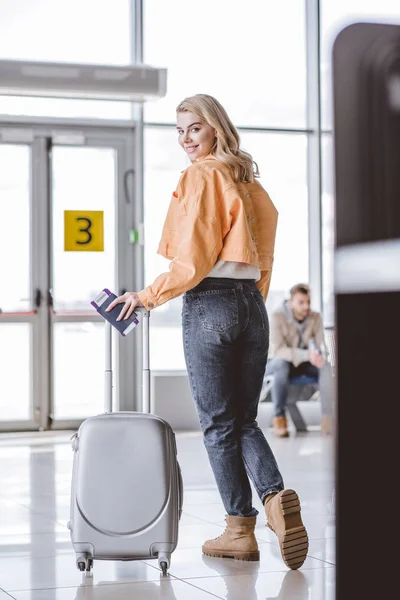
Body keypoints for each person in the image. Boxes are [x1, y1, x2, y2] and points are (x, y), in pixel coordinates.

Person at [106, 94, 309, 569]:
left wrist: (146, 295)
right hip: (253, 304)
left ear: (215, 127)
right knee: (244, 419)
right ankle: (276, 501)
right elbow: (266, 254)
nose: (186, 140)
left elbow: (193, 261)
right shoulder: (247, 180)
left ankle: (240, 527)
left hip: (210, 300)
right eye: (179, 131)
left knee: (219, 425)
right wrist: (251, 298)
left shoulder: (202, 176)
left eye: (194, 128)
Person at [263, 283, 334, 437]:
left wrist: (320, 356)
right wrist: (307, 355)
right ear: (291, 303)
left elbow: (321, 344)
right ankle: (279, 418)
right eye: (301, 302)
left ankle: (327, 419)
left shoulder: (315, 317)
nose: (306, 306)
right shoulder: (277, 317)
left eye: (308, 302)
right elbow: (278, 351)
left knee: (326, 367)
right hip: (277, 362)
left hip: (304, 363)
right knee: (282, 366)